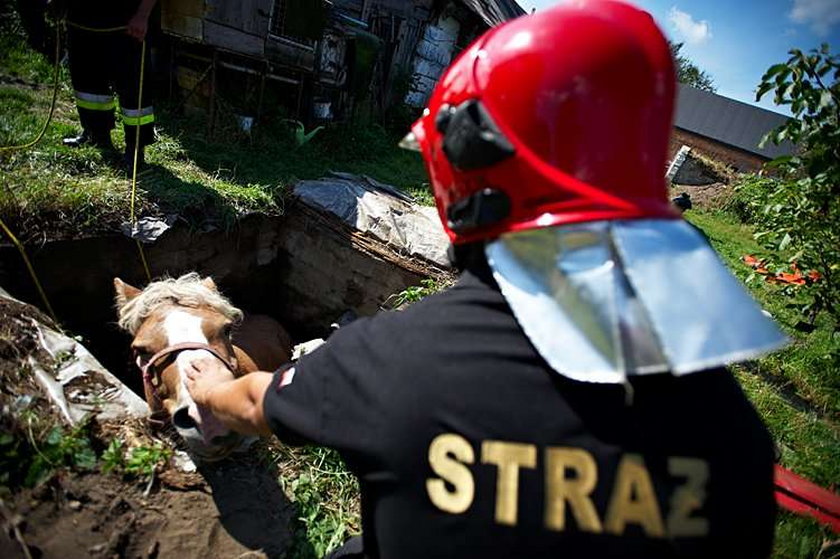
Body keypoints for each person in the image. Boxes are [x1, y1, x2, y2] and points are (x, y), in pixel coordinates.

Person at [185, 1, 786, 557]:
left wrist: (210, 385)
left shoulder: (386, 361)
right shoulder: (739, 444)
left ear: (460, 170)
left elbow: (259, 400)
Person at [61, 0, 157, 168]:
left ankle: (136, 148)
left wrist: (142, 15)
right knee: (88, 86)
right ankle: (95, 134)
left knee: (133, 90)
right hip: (80, 23)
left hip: (126, 26)